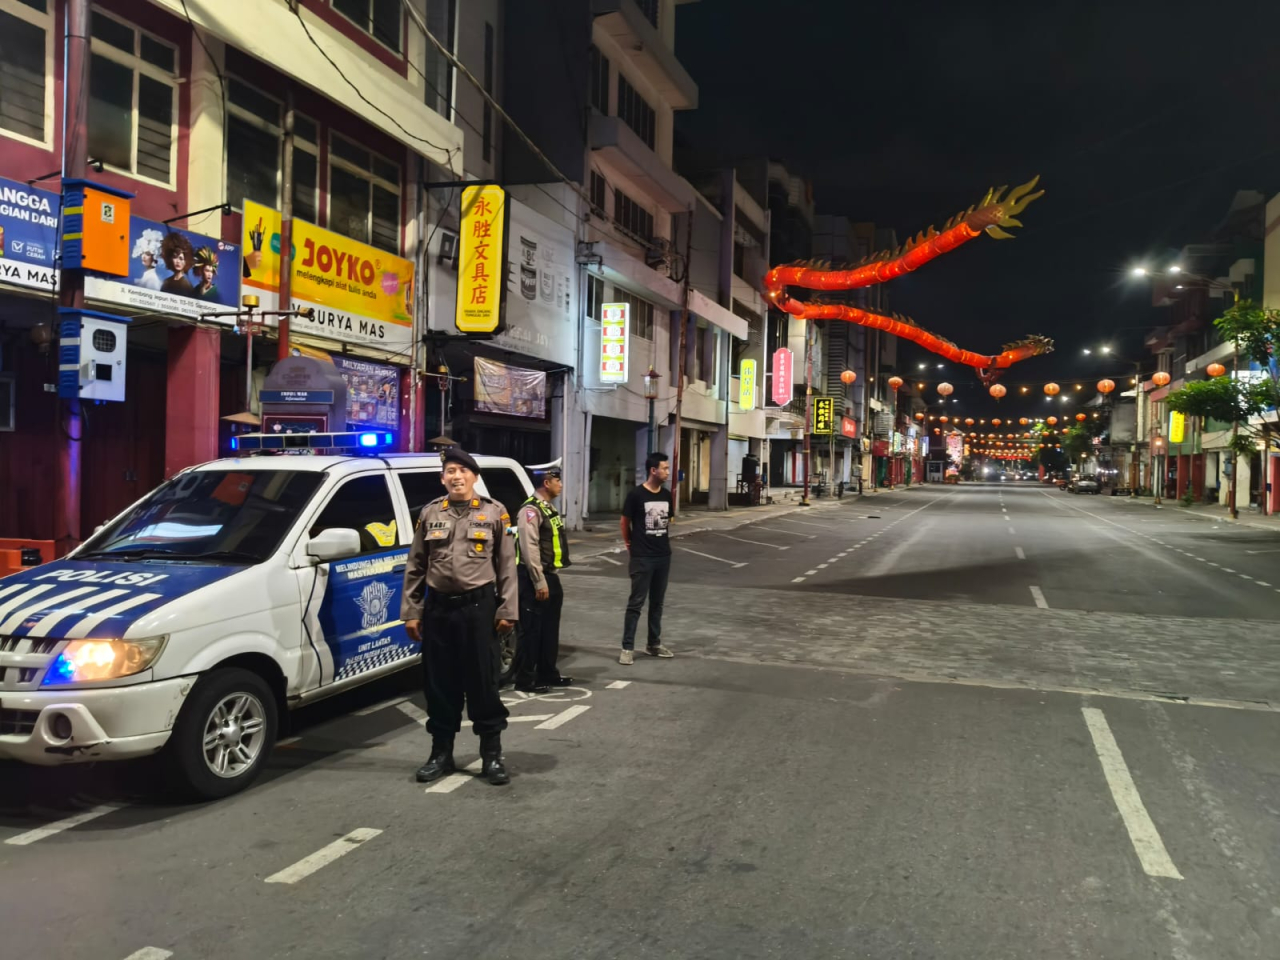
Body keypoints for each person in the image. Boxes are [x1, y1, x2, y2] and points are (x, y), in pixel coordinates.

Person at [401, 446, 517, 786]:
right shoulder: (430, 512)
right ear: (442, 479)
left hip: (479, 608)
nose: (456, 476)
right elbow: (416, 565)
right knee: (439, 684)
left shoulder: (495, 512)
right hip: (438, 609)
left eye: (462, 471)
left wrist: (507, 609)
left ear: (474, 477)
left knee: (483, 682)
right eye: (450, 471)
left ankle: (491, 755)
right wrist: (412, 610)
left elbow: (507, 565)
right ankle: (441, 753)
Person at [510, 462, 573, 693]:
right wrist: (539, 581)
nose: (561, 484)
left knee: (549, 630)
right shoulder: (530, 510)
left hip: (550, 576)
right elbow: (529, 549)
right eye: (557, 480)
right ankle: (525, 679)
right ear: (546, 483)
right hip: (533, 579)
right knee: (531, 631)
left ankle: (548, 673)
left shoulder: (547, 508)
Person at [618, 452, 675, 665]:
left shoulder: (666, 495)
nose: (668, 472)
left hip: (663, 556)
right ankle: (627, 647)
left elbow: (669, 521)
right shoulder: (636, 495)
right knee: (636, 603)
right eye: (664, 468)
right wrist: (630, 545)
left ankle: (654, 644)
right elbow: (624, 523)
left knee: (657, 603)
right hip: (642, 557)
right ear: (653, 470)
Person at [160, 231, 194, 296]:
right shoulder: (166, 282)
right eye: (175, 257)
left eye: (181, 258)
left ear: (186, 261)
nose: (178, 261)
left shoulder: (186, 285)